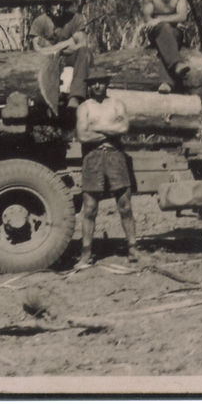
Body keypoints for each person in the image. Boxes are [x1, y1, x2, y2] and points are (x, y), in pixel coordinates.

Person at [74, 67, 139, 268]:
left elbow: (124, 128)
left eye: (101, 81)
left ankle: (133, 248)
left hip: (115, 155)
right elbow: (82, 136)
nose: (97, 85)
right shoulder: (84, 107)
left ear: (106, 83)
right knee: (90, 208)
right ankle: (86, 254)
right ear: (89, 86)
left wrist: (96, 128)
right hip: (92, 158)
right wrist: (110, 131)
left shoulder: (117, 104)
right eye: (93, 83)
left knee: (125, 205)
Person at [29, 0, 92, 108]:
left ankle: (75, 96)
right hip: (48, 60)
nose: (59, 8)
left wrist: (55, 47)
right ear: (49, 5)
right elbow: (38, 48)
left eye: (62, 4)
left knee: (85, 52)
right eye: (55, 4)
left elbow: (82, 43)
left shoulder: (76, 19)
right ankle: (47, 102)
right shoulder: (40, 21)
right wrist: (70, 41)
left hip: (68, 57)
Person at [139, 0, 191, 93]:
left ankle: (166, 83)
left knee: (170, 32)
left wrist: (160, 19)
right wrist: (161, 22)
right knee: (164, 28)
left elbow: (183, 16)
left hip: (175, 31)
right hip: (156, 32)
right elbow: (148, 19)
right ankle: (177, 64)